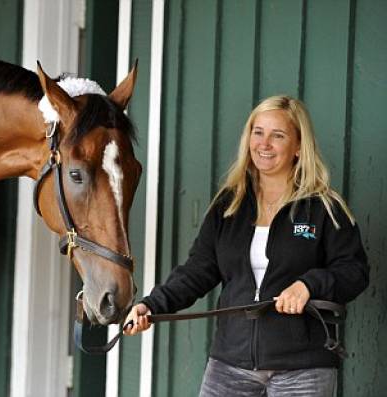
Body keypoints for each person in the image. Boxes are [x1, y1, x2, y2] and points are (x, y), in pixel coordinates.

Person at [125, 96, 369, 397]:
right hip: (230, 363)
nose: (264, 144)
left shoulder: (324, 208)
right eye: (258, 132)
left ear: (297, 146)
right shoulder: (229, 206)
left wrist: (308, 285)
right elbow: (197, 271)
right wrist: (151, 305)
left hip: (303, 369)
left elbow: (354, 270)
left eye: (277, 136)